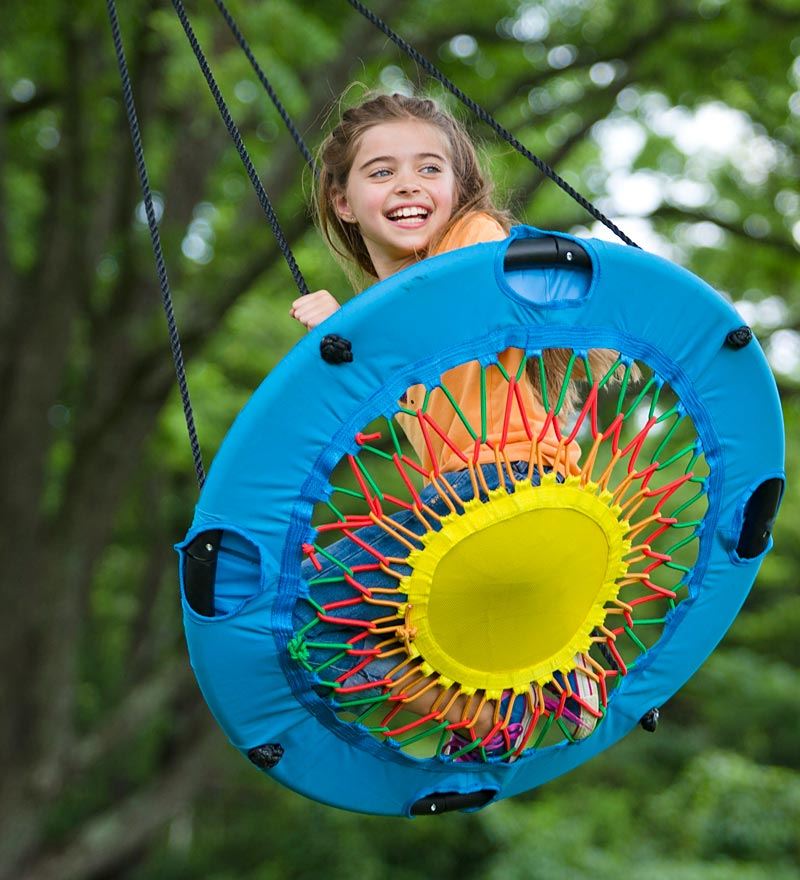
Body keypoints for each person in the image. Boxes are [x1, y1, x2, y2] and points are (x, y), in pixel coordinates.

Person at [290, 93, 614, 762]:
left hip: (518, 478)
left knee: (317, 607)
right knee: (316, 630)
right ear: (343, 201)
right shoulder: (383, 314)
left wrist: (347, 325)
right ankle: (507, 706)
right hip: (468, 513)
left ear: (459, 189)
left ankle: (528, 693)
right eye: (381, 172)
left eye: (429, 169)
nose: (407, 183)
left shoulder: (474, 238)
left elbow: (454, 317)